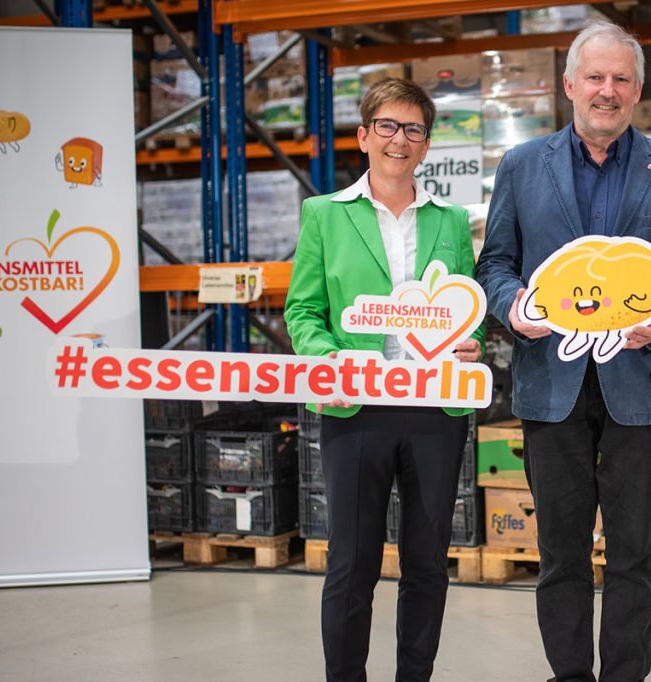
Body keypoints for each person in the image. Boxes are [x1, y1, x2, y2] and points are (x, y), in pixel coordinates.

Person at [475, 21, 651, 682]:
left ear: (636, 89)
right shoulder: (523, 166)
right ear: (569, 85)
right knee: (560, 553)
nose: (606, 91)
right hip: (550, 383)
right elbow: (495, 263)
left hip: (642, 383)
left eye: (620, 79)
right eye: (595, 78)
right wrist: (513, 306)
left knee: (635, 552)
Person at [284, 78, 483, 682]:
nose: (401, 140)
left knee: (427, 563)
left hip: (434, 411)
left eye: (414, 130)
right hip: (356, 407)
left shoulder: (452, 220)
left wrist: (468, 341)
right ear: (365, 136)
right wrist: (330, 358)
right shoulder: (325, 215)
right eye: (388, 127)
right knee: (352, 562)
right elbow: (302, 311)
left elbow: (463, 306)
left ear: (427, 145)